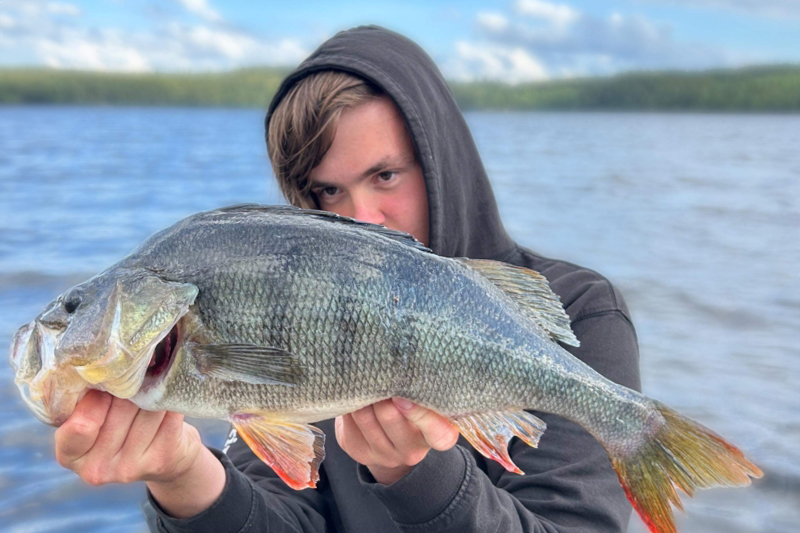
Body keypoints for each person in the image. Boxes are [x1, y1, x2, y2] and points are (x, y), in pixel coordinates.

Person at [54, 26, 641, 532]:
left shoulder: (581, 310)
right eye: (328, 191)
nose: (360, 217)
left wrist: (418, 472)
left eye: (385, 175)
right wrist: (181, 472)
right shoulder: (300, 312)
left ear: (442, 162)